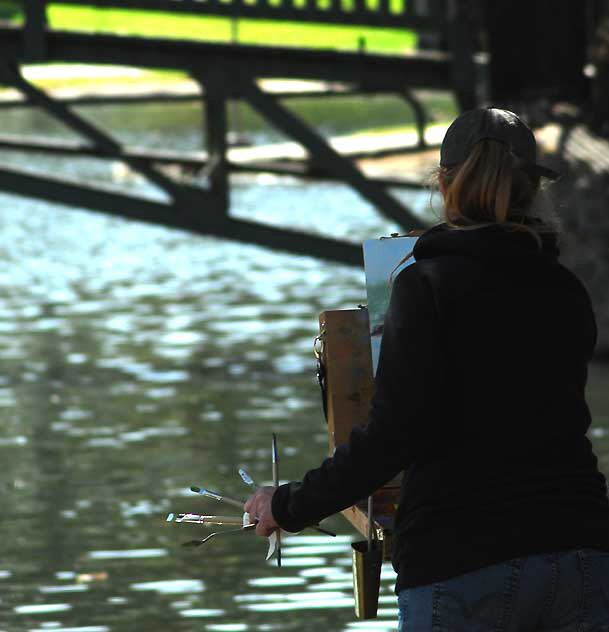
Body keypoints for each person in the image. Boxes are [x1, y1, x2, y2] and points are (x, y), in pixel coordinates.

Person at [245, 108, 609, 631]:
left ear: (443, 183)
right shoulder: (565, 292)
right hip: (580, 555)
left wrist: (290, 504)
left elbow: (394, 434)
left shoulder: (427, 287)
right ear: (533, 190)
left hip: (463, 563)